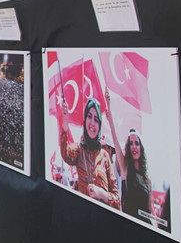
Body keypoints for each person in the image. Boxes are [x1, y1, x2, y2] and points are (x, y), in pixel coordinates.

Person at [58, 96, 120, 208]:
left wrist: (103, 194)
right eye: (89, 117)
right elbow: (65, 154)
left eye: (96, 120)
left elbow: (117, 199)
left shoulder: (104, 156)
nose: (92, 123)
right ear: (85, 119)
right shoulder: (79, 149)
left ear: (100, 125)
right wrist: (65, 122)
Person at [103, 88, 152, 224]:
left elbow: (150, 212)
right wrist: (109, 109)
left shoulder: (148, 181)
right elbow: (115, 139)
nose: (134, 147)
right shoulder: (125, 168)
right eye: (130, 144)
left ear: (141, 147)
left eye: (136, 143)